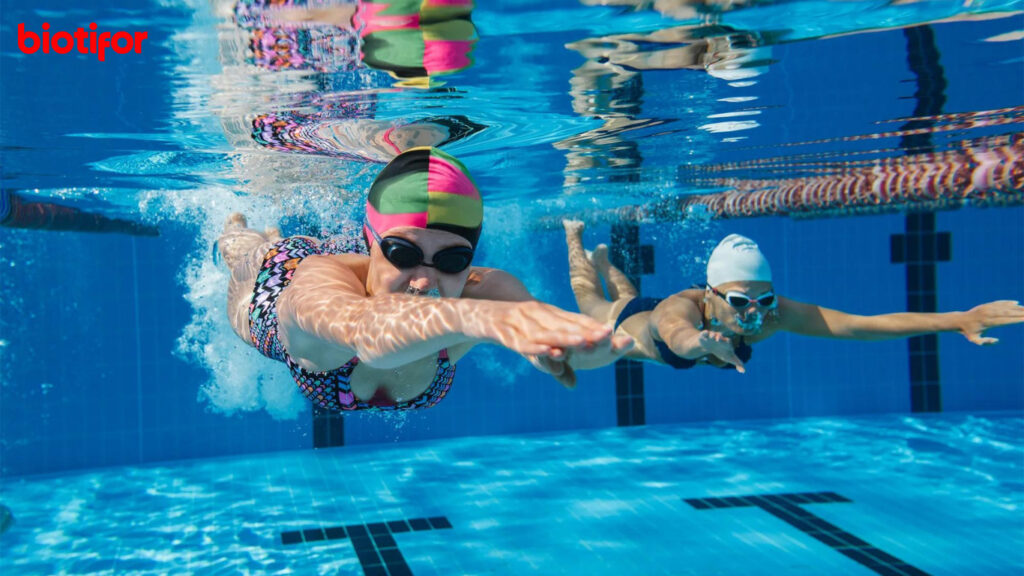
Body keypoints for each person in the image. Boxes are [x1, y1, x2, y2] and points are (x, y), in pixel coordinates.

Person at [217, 147, 633, 412]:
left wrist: (555, 352)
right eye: (403, 254)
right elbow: (368, 331)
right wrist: (485, 322)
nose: (424, 281)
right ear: (371, 240)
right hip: (276, 281)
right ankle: (247, 232)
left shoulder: (482, 291)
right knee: (239, 249)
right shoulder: (319, 283)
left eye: (452, 259)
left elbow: (538, 331)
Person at [564, 220, 1024, 372]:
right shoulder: (680, 310)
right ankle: (574, 236)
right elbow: (676, 334)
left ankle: (606, 262)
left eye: (764, 301)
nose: (755, 315)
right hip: (635, 326)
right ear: (712, 294)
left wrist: (957, 318)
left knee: (626, 289)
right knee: (596, 302)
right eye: (741, 302)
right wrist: (703, 343)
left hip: (672, 322)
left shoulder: (772, 316)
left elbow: (862, 326)